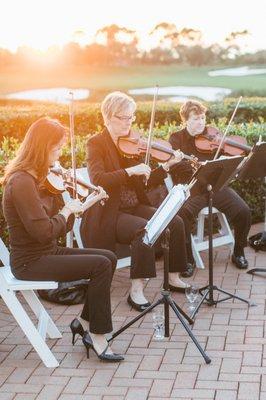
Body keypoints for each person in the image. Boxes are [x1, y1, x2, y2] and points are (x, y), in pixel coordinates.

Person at [2, 117, 124, 362]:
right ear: (41, 148)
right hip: (30, 262)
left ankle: (84, 323)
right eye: (56, 149)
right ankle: (98, 335)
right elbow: (43, 231)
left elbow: (58, 228)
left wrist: (79, 206)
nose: (59, 155)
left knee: (109, 258)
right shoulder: (22, 182)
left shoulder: (40, 179)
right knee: (100, 265)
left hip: (48, 252)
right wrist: (67, 211)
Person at [80, 91, 191, 313]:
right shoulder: (96, 143)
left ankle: (173, 277)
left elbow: (145, 184)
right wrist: (130, 170)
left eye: (131, 117)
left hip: (133, 206)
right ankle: (136, 289)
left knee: (175, 220)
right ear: (109, 117)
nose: (129, 122)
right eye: (124, 117)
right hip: (109, 212)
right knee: (144, 230)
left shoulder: (132, 143)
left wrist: (166, 167)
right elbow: (98, 179)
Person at [169, 100, 251, 272]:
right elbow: (176, 167)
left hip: (215, 187)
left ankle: (238, 251)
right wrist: (197, 166)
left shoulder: (212, 136)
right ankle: (187, 259)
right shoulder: (176, 139)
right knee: (182, 215)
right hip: (193, 189)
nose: (201, 123)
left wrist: (232, 164)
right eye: (196, 119)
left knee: (243, 211)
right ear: (185, 120)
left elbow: (225, 161)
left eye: (203, 118)